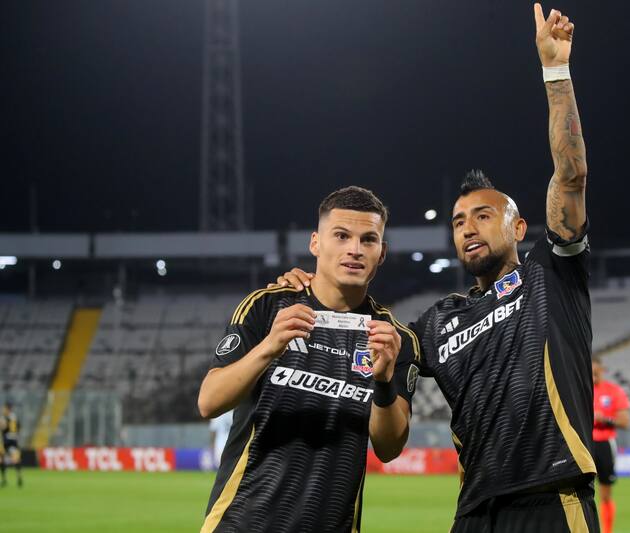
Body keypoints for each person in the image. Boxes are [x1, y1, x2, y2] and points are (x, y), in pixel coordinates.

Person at [271, 5, 600, 531]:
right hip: (471, 512)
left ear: (518, 228)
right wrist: (314, 287)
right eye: (457, 221)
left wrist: (556, 73)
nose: (467, 227)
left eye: (483, 216)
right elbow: (379, 357)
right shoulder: (436, 323)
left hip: (551, 500)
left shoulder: (551, 275)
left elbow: (572, 175)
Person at [197, 186, 419, 532]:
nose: (354, 250)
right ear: (316, 243)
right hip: (241, 523)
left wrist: (383, 381)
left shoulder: (393, 338)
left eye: (368, 240)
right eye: (342, 236)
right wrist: (269, 347)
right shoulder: (267, 306)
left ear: (382, 252)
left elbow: (389, 447)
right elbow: (209, 402)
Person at [591, 358, 630, 533]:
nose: (592, 376)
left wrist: (604, 419)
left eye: (596, 372)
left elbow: (625, 422)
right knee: (579, 492)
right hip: (582, 443)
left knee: (605, 493)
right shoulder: (578, 389)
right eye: (589, 372)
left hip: (604, 444)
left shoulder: (613, 391)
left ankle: (607, 531)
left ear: (602, 371)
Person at [0, 403, 23, 488]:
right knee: (16, 459)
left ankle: (4, 479)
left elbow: (3, 426)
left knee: (2, 459)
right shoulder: (15, 417)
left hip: (6, 441)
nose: (3, 410)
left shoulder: (4, 418)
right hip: (14, 441)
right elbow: (19, 427)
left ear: (8, 409)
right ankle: (19, 477)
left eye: (4, 409)